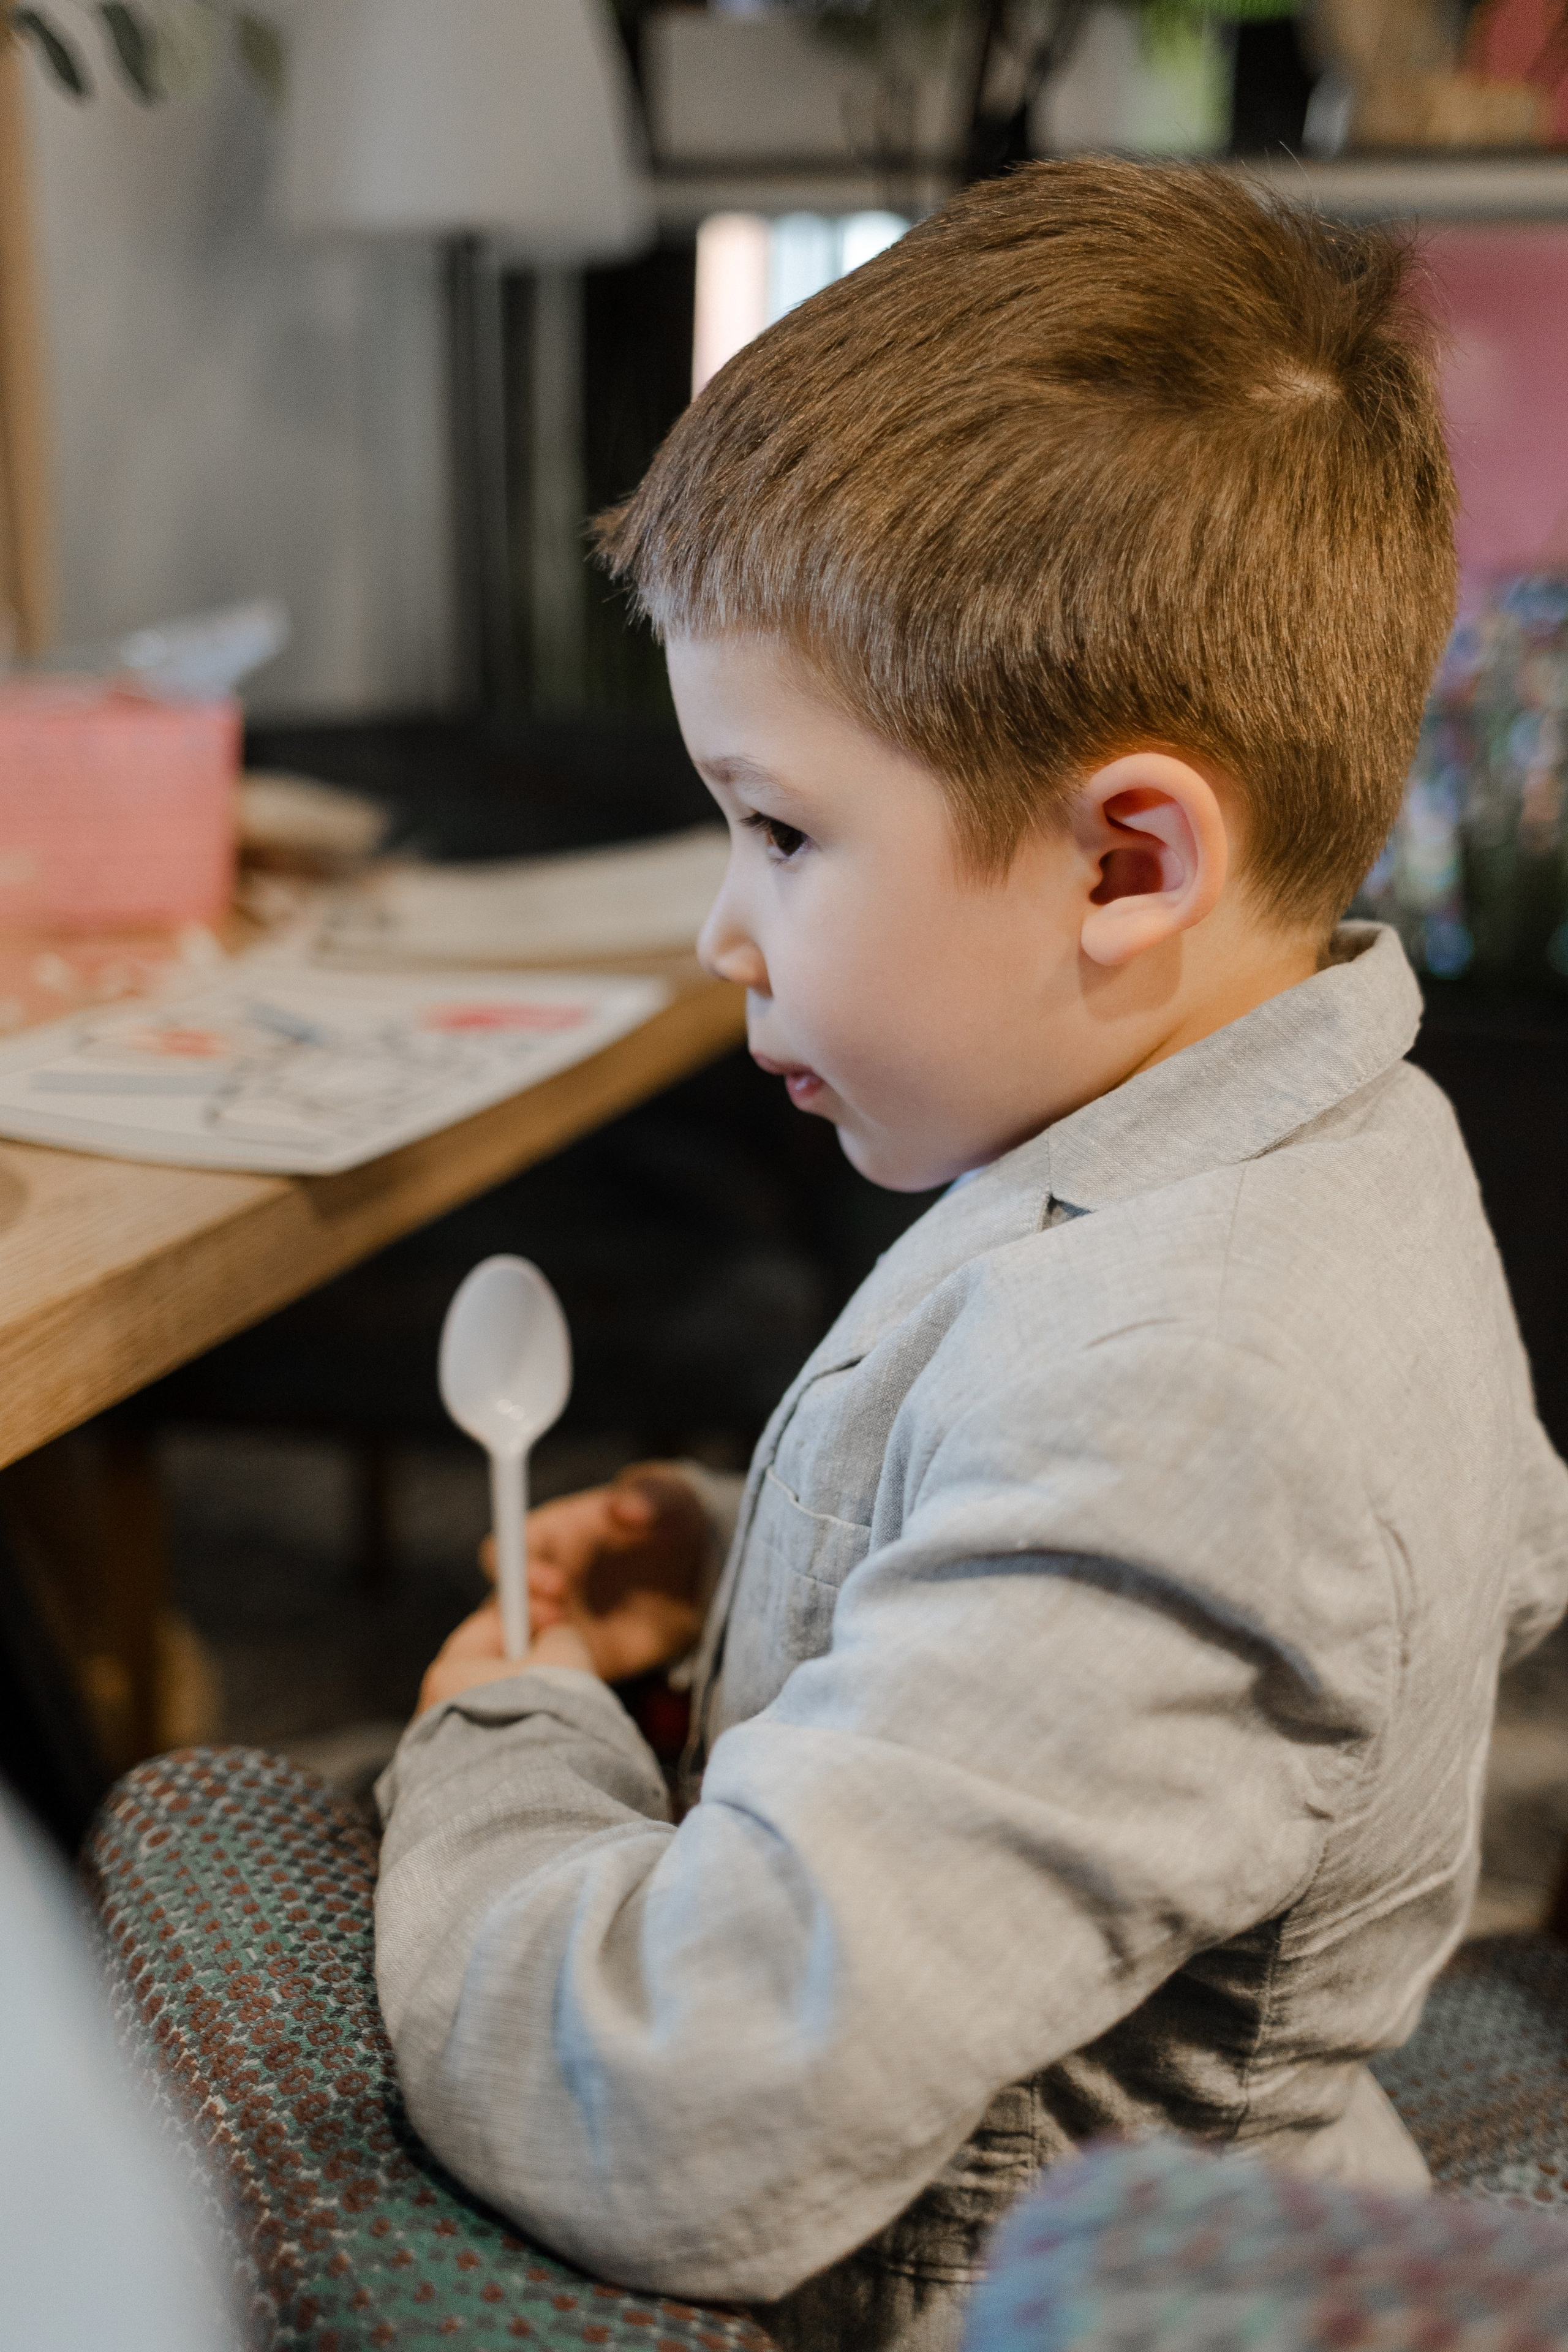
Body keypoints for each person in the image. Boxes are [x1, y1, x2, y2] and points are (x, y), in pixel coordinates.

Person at [374, 160, 1568, 2352]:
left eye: (782, 828)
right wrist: (762, 1557)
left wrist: (512, 1741)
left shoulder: (1201, 1387)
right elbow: (1140, 1648)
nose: (724, 926)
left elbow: (678, 2099)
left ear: (1128, 858)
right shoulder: (1335, 1145)